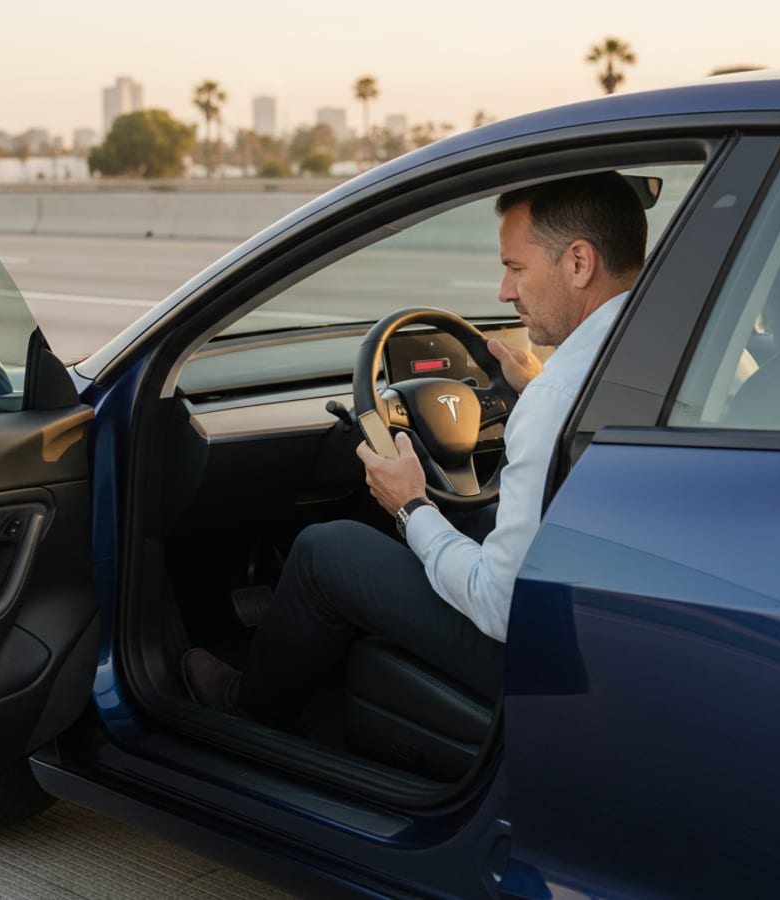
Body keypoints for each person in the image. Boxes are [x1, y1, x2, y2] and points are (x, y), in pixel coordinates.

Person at [183, 171, 648, 726]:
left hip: (547, 660)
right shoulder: (666, 352)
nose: (504, 291)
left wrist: (409, 506)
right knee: (476, 517)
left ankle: (246, 712)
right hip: (621, 633)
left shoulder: (556, 398)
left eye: (515, 267)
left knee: (324, 551)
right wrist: (532, 393)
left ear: (578, 263)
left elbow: (500, 606)